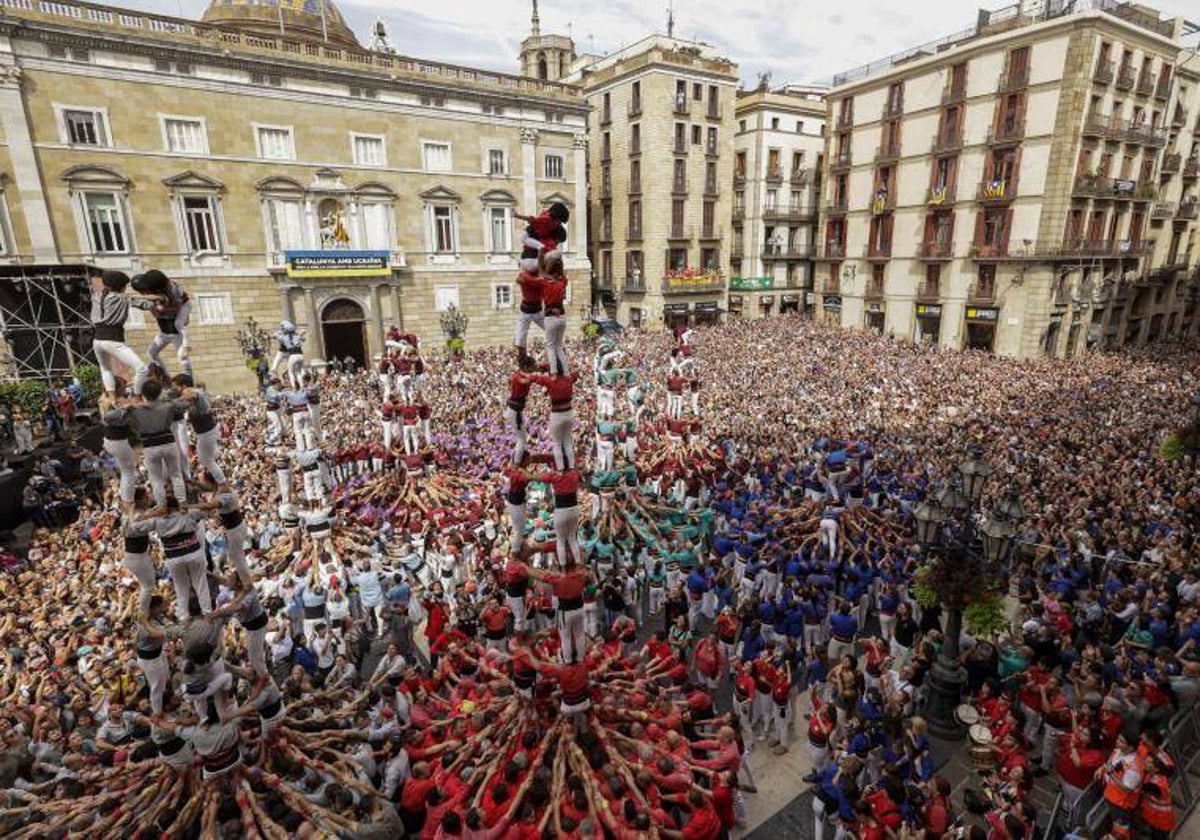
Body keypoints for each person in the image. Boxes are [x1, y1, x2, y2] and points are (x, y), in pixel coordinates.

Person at [89, 267, 152, 395]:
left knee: (106, 369)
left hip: (97, 341)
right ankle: (137, 396)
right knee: (142, 369)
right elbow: (147, 305)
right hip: (113, 340)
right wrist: (158, 297)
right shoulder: (123, 299)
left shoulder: (96, 296)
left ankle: (112, 398)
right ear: (122, 287)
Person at [132, 269, 192, 379]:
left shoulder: (170, 290)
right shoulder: (155, 293)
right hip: (164, 333)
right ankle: (165, 376)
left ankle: (189, 380)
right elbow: (150, 302)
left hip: (175, 334)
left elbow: (175, 306)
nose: (143, 294)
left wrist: (161, 310)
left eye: (144, 291)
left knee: (183, 358)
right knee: (151, 352)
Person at [271, 321, 306, 389]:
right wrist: (302, 334)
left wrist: (274, 335)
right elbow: (302, 337)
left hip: (293, 355)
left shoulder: (284, 337)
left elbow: (277, 336)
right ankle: (302, 386)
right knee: (298, 372)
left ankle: (293, 387)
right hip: (301, 356)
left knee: (290, 372)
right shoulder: (296, 336)